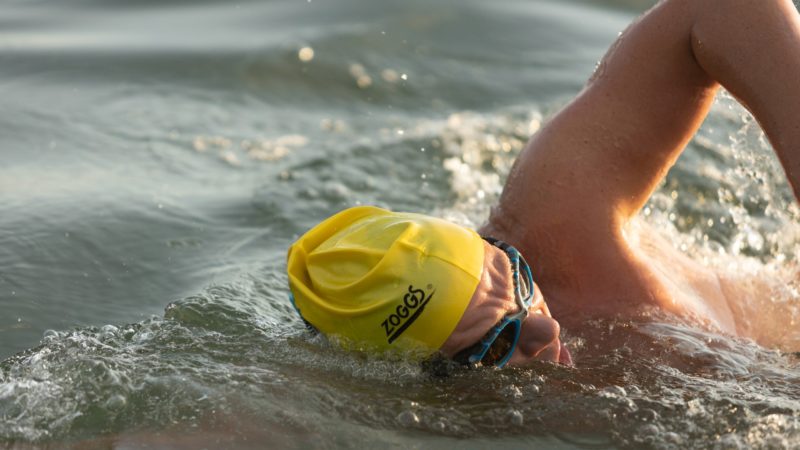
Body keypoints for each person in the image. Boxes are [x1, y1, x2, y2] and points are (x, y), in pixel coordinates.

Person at [287, 0, 800, 368]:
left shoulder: (558, 224)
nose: (545, 328)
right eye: (492, 346)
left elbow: (726, 9)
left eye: (517, 283)